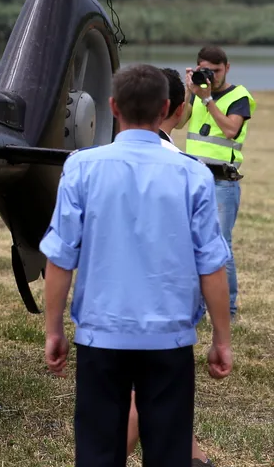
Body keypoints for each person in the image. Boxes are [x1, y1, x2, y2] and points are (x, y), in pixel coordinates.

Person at [42, 64, 233, 467]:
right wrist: (221, 338)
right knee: (168, 451)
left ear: (112, 107)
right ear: (167, 108)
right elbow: (212, 265)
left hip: (101, 337)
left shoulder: (81, 167)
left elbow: (60, 257)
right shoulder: (193, 175)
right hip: (169, 340)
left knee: (98, 452)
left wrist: (54, 329)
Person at [124, 66, 214, 467]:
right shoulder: (184, 167)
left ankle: (194, 458)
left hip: (117, 296)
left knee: (152, 391)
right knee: (147, 393)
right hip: (163, 300)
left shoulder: (110, 154)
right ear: (177, 110)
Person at [176, 45, 252, 317]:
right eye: (206, 70)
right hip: (194, 180)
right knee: (191, 244)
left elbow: (231, 130)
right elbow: (179, 122)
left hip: (222, 182)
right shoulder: (197, 92)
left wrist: (208, 99)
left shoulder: (239, 96)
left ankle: (227, 309)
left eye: (217, 71)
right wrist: (189, 91)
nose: (212, 76)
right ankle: (196, 306)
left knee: (220, 246)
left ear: (227, 68)